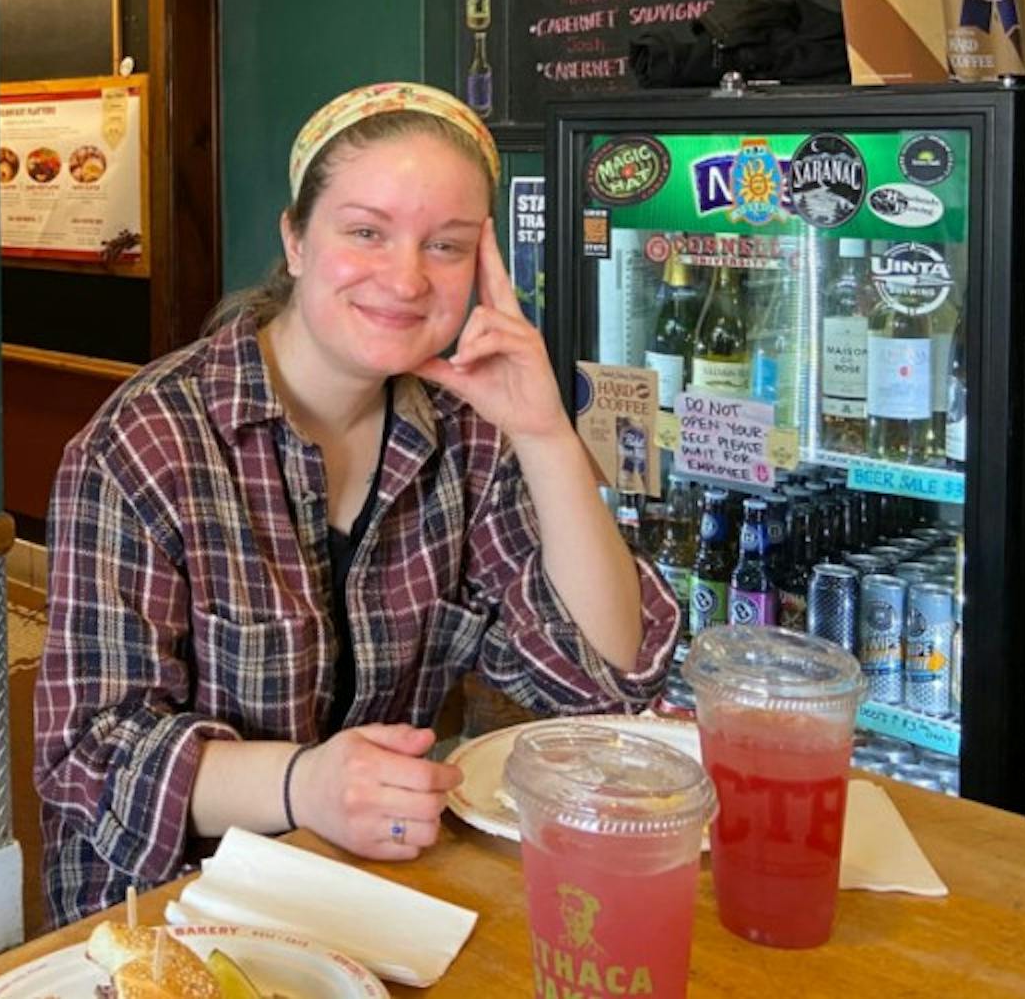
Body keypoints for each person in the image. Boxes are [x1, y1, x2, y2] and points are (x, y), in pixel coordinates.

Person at [33, 82, 678, 926]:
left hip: (374, 899)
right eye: (366, 232)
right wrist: (306, 783)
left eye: (446, 247)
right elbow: (91, 750)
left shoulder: (468, 432)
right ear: (296, 241)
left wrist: (547, 434)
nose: (406, 279)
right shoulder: (147, 443)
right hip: (163, 916)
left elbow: (603, 681)